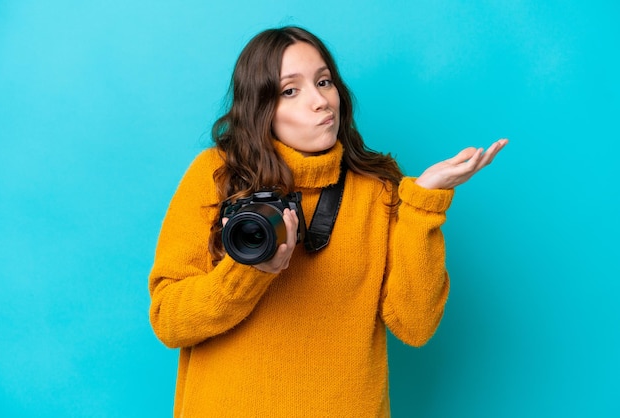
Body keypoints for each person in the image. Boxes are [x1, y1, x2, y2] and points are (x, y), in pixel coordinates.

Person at [149, 26, 507, 417]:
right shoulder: (216, 176)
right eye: (291, 90)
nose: (321, 102)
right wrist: (252, 271)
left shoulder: (380, 189)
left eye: (324, 82)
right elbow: (169, 320)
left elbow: (415, 325)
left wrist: (424, 203)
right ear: (260, 108)